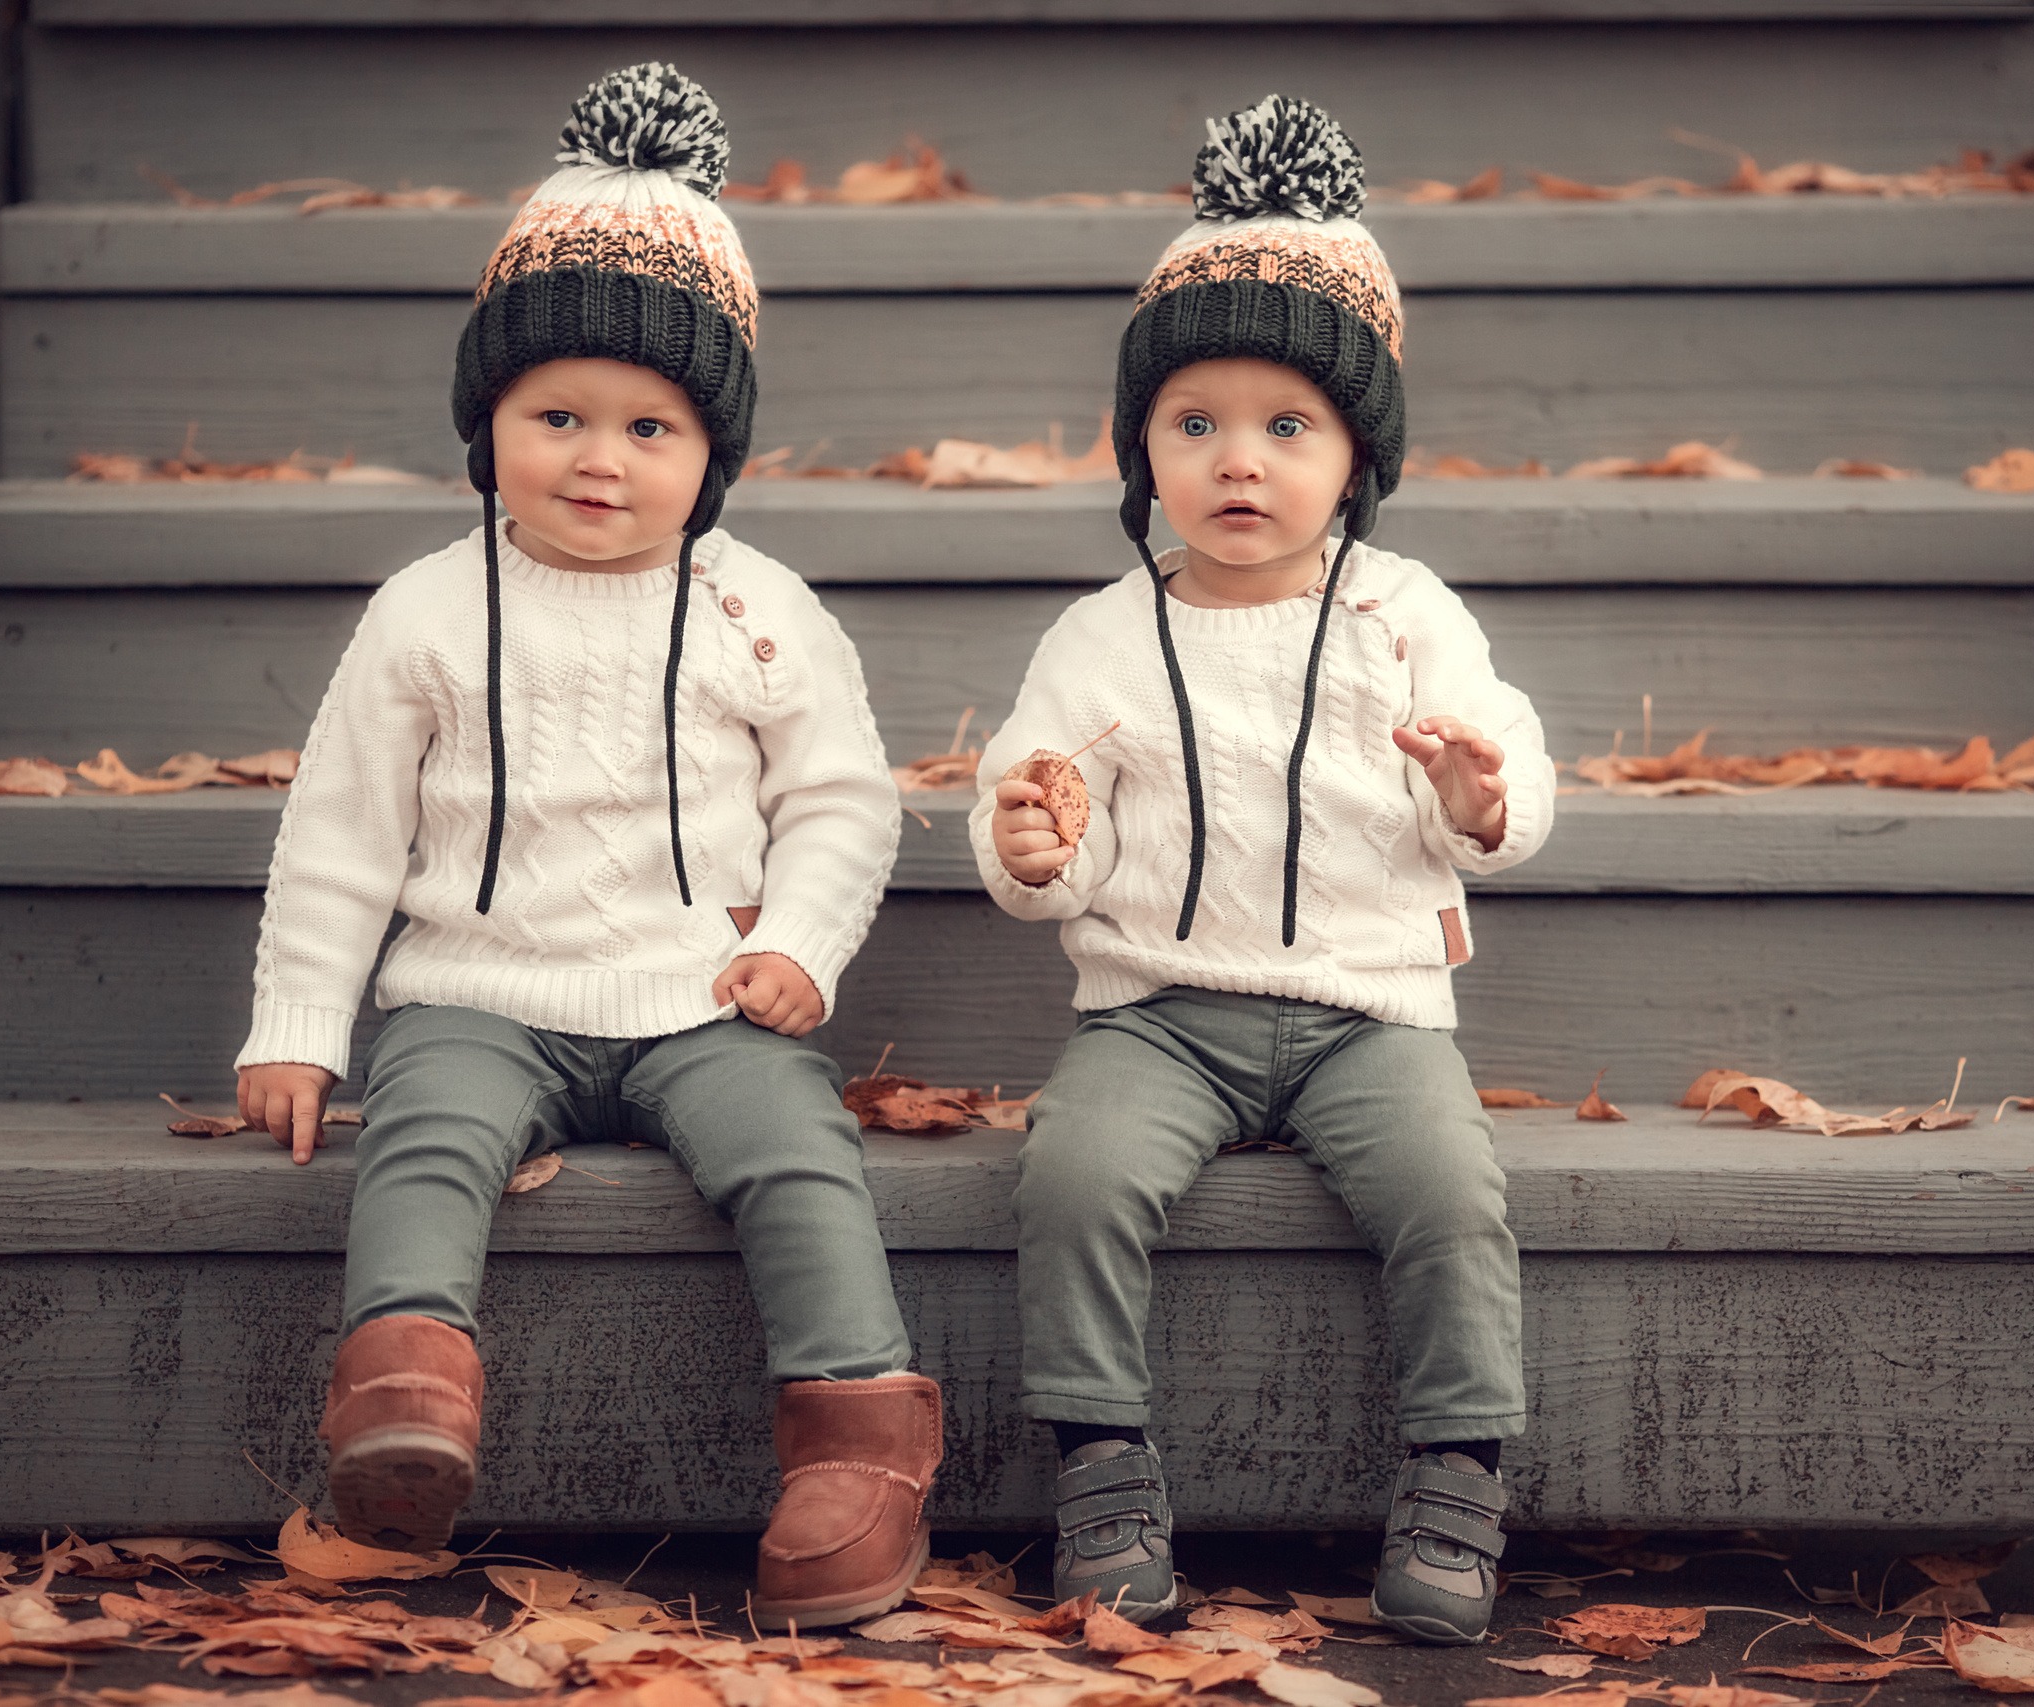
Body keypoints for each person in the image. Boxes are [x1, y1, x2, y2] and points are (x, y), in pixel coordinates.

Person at [231, 64, 937, 1628]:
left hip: (701, 993)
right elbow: (342, 828)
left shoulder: (760, 607)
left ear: (715, 451)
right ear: (491, 422)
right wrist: (298, 1024)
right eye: (557, 416)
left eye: (649, 425)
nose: (599, 457)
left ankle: (857, 1443)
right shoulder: (426, 608)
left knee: (799, 1155)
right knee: (428, 1139)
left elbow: (840, 797)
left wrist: (797, 945)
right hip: (478, 988)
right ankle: (404, 1392)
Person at [969, 95, 1558, 1644]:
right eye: (1196, 424)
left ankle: (1455, 1466)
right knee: (1077, 1172)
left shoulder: (1407, 616)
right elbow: (1027, 811)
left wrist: (1483, 796)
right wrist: (1031, 847)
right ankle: (1099, 1462)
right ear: (1143, 449)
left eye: (1288, 426)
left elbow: (1509, 772)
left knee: (1449, 1188)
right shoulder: (1101, 633)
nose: (1241, 461)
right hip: (1159, 1009)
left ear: (1359, 452)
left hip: (1370, 1007)